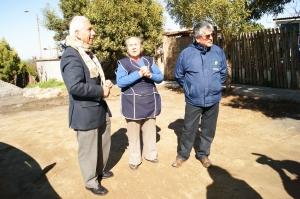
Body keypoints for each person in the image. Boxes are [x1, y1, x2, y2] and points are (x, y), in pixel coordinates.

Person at [60, 16, 114, 196]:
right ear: (77, 33)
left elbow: (92, 78)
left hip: (99, 108)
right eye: (90, 29)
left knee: (103, 142)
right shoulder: (71, 54)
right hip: (85, 112)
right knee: (89, 148)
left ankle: (99, 171)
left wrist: (103, 84)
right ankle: (91, 181)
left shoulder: (87, 52)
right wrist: (100, 91)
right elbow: (74, 87)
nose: (94, 33)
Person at [172, 21, 227, 168]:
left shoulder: (218, 52)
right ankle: (182, 155)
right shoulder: (186, 54)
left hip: (213, 99)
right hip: (193, 100)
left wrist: (216, 87)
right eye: (207, 35)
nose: (211, 38)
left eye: (212, 35)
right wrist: (189, 88)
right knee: (189, 129)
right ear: (197, 38)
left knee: (209, 129)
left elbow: (223, 73)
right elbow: (178, 75)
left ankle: (203, 154)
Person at [116, 36, 163, 170]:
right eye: (130, 45)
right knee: (133, 133)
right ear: (127, 49)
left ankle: (151, 154)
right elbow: (120, 82)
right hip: (132, 103)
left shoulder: (149, 61)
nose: (134, 47)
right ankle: (135, 159)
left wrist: (150, 75)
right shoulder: (123, 63)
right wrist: (139, 74)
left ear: (141, 47)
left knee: (150, 130)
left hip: (149, 101)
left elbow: (160, 77)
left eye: (136, 44)